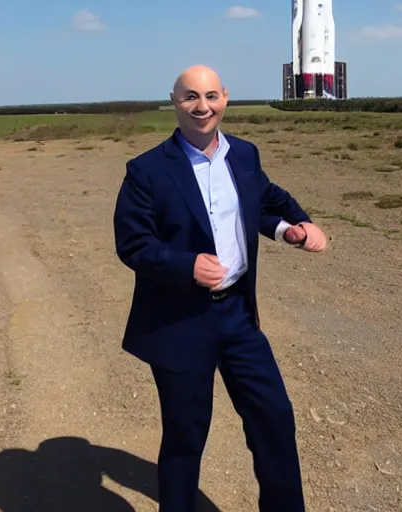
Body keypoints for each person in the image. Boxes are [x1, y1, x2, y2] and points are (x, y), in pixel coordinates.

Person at [113, 64, 327, 512]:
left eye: (210, 96)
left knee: (274, 420)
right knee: (186, 438)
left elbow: (265, 201)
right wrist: (186, 264)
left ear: (225, 98)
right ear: (175, 102)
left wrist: (293, 227)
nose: (202, 106)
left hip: (237, 316)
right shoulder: (147, 171)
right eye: (190, 96)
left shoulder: (244, 155)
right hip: (180, 321)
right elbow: (133, 244)